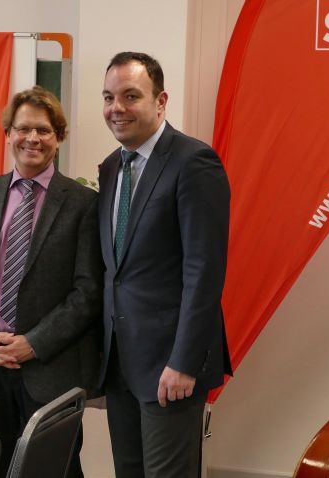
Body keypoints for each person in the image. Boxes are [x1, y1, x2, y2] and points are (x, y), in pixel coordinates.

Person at [0, 86, 103, 478]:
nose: (33, 138)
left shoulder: (83, 203)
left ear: (58, 137)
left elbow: (87, 292)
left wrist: (33, 343)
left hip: (50, 370)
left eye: (44, 130)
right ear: (8, 134)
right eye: (23, 129)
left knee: (57, 471)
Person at [97, 51, 232, 478]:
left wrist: (185, 362)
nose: (116, 108)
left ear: (160, 101)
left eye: (130, 96)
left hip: (170, 367)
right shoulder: (111, 168)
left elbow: (204, 273)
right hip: (120, 364)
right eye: (109, 97)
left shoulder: (194, 161)